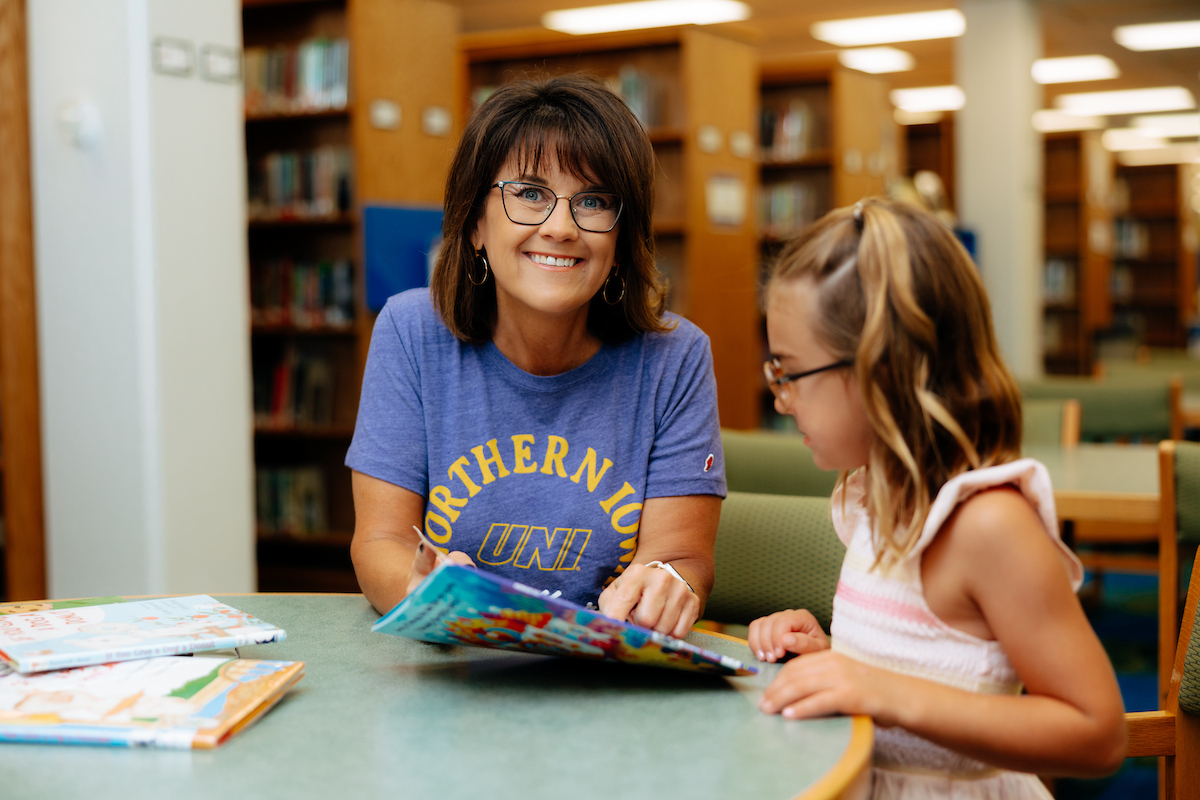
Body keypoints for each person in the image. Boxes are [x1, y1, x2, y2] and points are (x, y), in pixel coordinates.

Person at [748, 198, 1126, 797]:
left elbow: (1097, 733)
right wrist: (830, 659)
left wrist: (881, 690)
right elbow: (917, 665)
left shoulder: (988, 525)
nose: (780, 399)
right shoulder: (873, 498)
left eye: (789, 372)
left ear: (881, 370)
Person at [346, 75, 725, 639]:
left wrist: (667, 585)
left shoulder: (676, 356)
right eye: (528, 193)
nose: (560, 228)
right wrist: (426, 589)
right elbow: (381, 540)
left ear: (623, 238)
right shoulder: (410, 331)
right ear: (476, 221)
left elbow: (681, 558)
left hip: (603, 675)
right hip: (452, 664)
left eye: (593, 201)